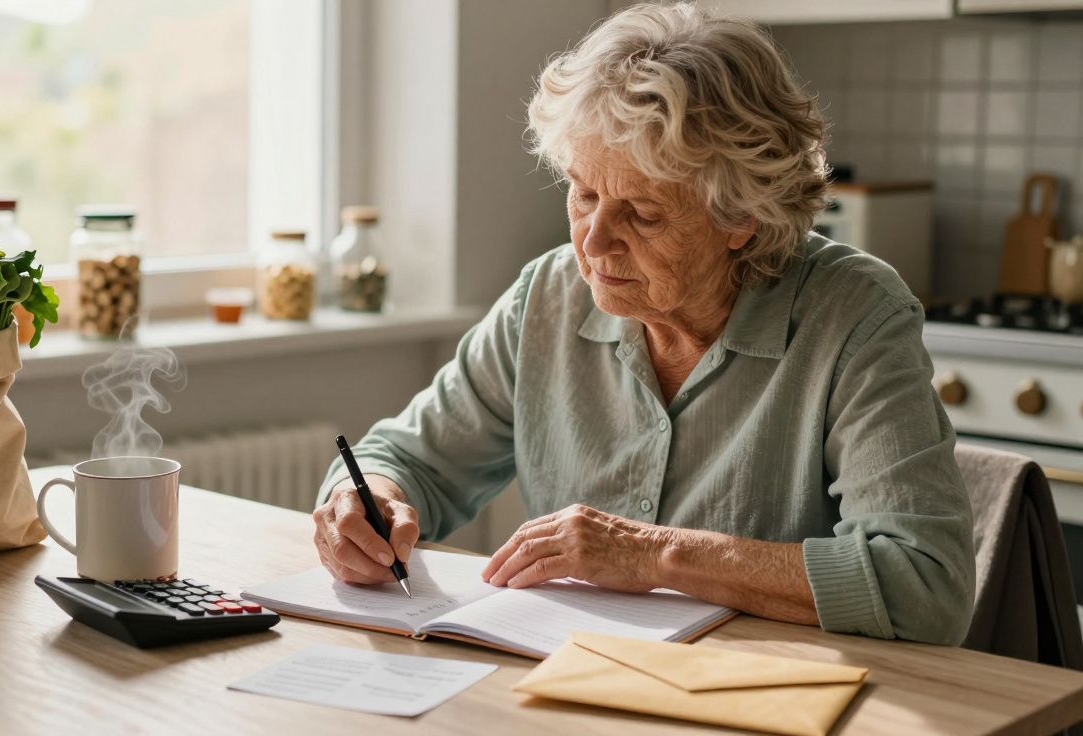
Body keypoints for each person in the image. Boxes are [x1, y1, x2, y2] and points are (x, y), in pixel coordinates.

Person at [312, 2, 974, 644]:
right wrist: (362, 501)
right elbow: (404, 458)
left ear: (741, 217)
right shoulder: (547, 295)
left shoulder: (854, 315)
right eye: (584, 192)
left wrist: (653, 555)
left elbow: (923, 583)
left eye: (643, 213)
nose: (593, 243)